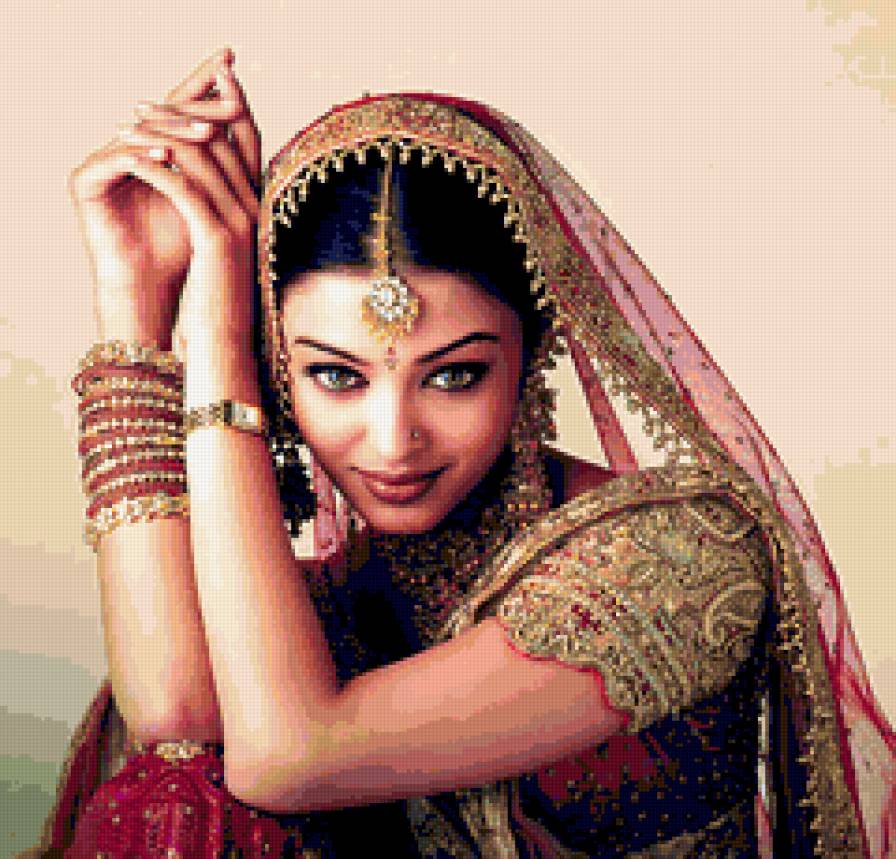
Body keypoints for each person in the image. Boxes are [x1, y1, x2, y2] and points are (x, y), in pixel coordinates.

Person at [21, 49, 896, 858]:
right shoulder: (336, 599)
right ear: (282, 377)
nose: (393, 439)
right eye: (335, 375)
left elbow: (289, 755)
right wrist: (136, 300)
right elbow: (175, 716)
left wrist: (220, 337)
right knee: (178, 790)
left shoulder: (684, 554)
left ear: (535, 348)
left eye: (453, 376)